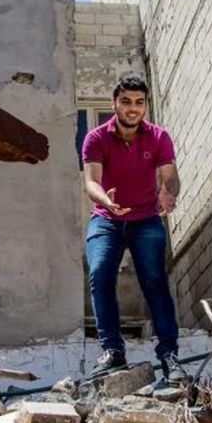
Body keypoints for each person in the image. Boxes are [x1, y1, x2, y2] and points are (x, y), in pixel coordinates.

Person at [82, 73, 185, 384]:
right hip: (106, 219)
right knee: (100, 274)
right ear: (114, 103)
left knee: (155, 281)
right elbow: (91, 181)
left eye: (139, 102)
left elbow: (171, 177)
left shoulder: (158, 137)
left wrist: (169, 192)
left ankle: (169, 356)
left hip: (146, 220)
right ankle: (113, 350)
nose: (133, 108)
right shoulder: (96, 138)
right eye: (126, 101)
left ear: (145, 105)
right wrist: (106, 200)